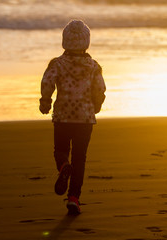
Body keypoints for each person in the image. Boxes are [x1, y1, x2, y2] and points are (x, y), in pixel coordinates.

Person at [39, 20, 106, 215]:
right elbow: (100, 88)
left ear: (64, 41)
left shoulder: (57, 64)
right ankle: (74, 198)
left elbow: (47, 82)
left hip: (62, 117)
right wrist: (97, 104)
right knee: (80, 158)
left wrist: (45, 101)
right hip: (84, 119)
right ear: (87, 42)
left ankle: (63, 166)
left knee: (60, 150)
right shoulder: (93, 66)